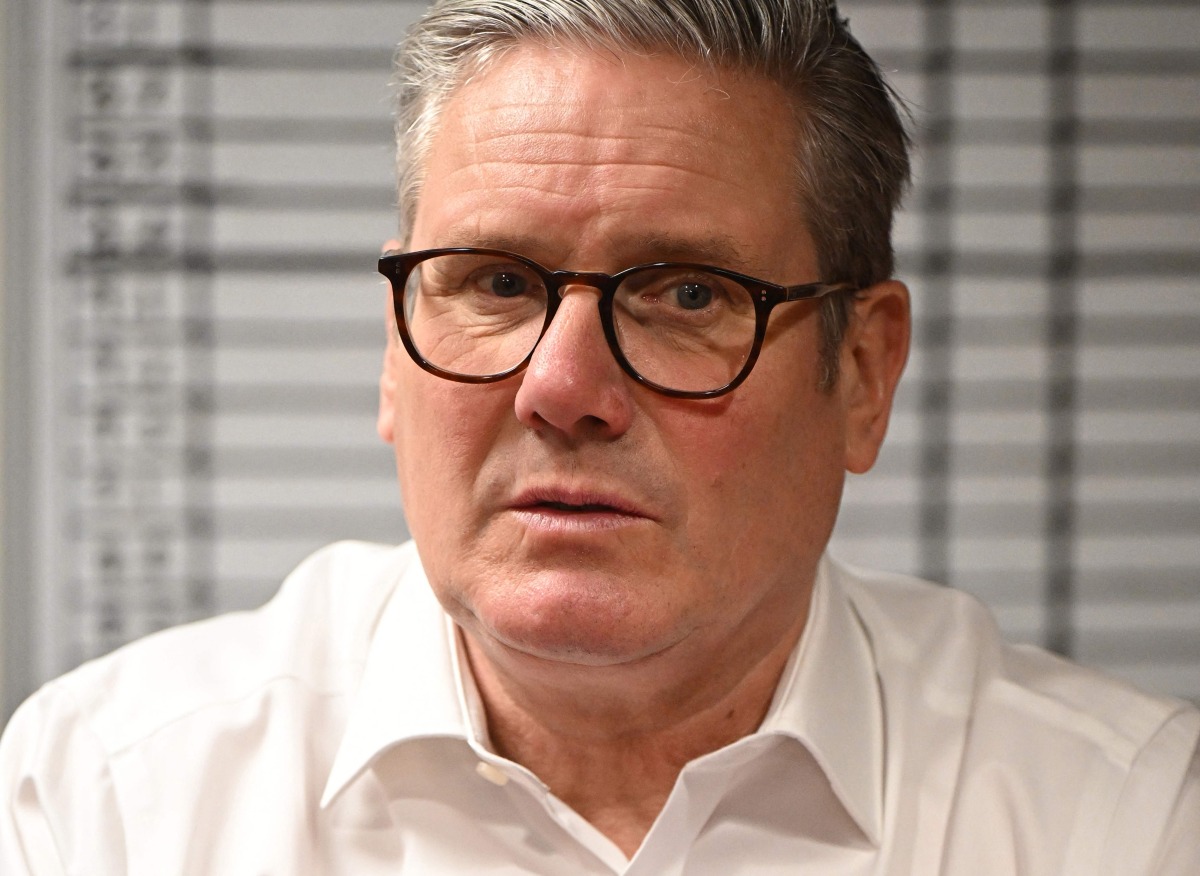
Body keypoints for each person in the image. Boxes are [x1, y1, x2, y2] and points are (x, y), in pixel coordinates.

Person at [2, 0, 1197, 872]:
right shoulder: (107, 804)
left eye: (688, 294)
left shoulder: (1122, 823)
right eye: (496, 283)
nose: (562, 388)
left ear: (863, 375)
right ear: (393, 352)